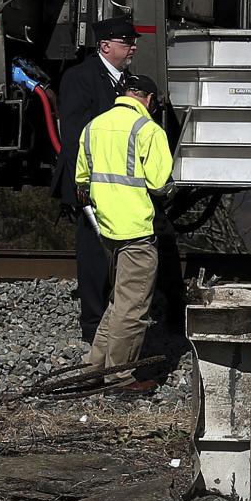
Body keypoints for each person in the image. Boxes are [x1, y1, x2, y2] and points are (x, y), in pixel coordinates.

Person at [73, 67, 173, 389]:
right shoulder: (149, 130)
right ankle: (119, 377)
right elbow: (159, 184)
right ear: (149, 100)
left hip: (107, 230)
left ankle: (93, 368)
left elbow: (81, 182)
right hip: (137, 231)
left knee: (118, 303)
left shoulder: (93, 127)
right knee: (132, 310)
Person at [52, 13, 138, 343]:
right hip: (91, 181)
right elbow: (75, 134)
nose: (132, 48)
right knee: (93, 254)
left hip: (117, 182)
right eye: (126, 42)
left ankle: (112, 317)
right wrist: (81, 182)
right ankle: (93, 324)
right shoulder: (81, 78)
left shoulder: (126, 80)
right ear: (105, 46)